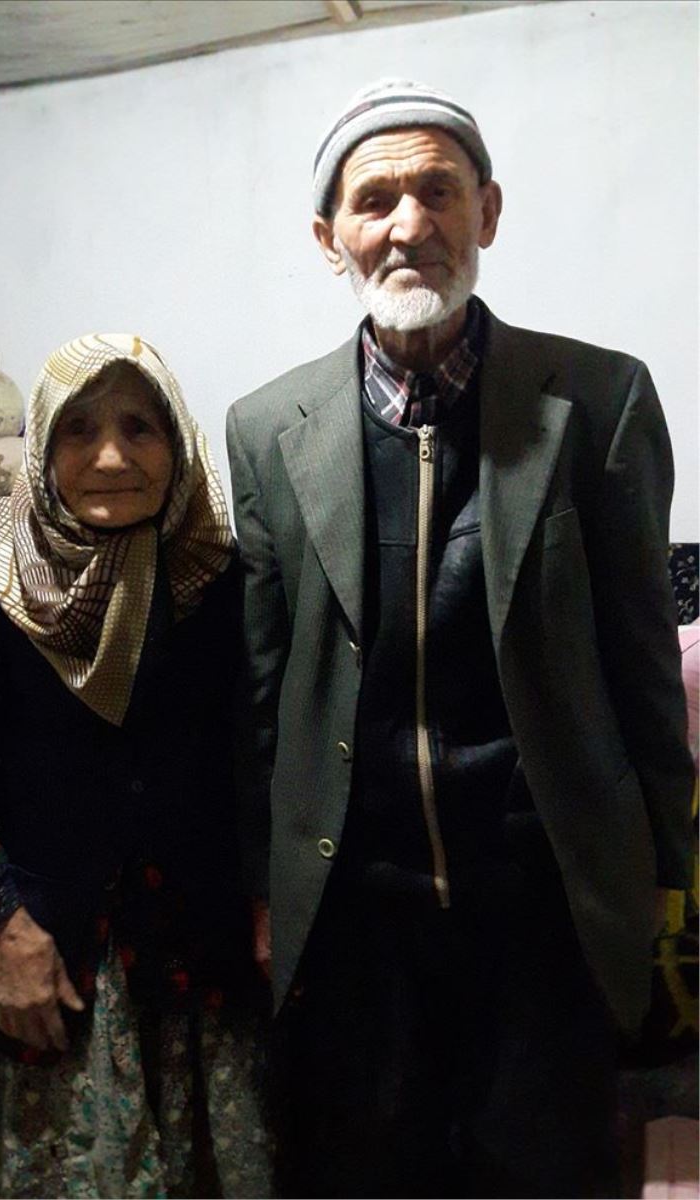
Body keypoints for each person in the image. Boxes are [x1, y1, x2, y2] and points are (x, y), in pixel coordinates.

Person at [226, 80, 695, 1199]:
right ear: (328, 239)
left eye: (437, 191)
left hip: (545, 900)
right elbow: (261, 685)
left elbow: (639, 654)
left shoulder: (598, 399)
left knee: (547, 1172)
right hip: (355, 912)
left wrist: (664, 874)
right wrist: (260, 882)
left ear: (486, 211)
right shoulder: (266, 428)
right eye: (374, 199)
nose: (408, 224)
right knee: (363, 1172)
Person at [0, 334, 272, 1199]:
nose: (111, 457)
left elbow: (264, 756)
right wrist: (8, 934)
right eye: (79, 429)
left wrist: (270, 904)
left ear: (177, 442)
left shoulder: (221, 577)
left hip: (204, 969)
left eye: (140, 428)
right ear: (43, 446)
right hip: (54, 966)